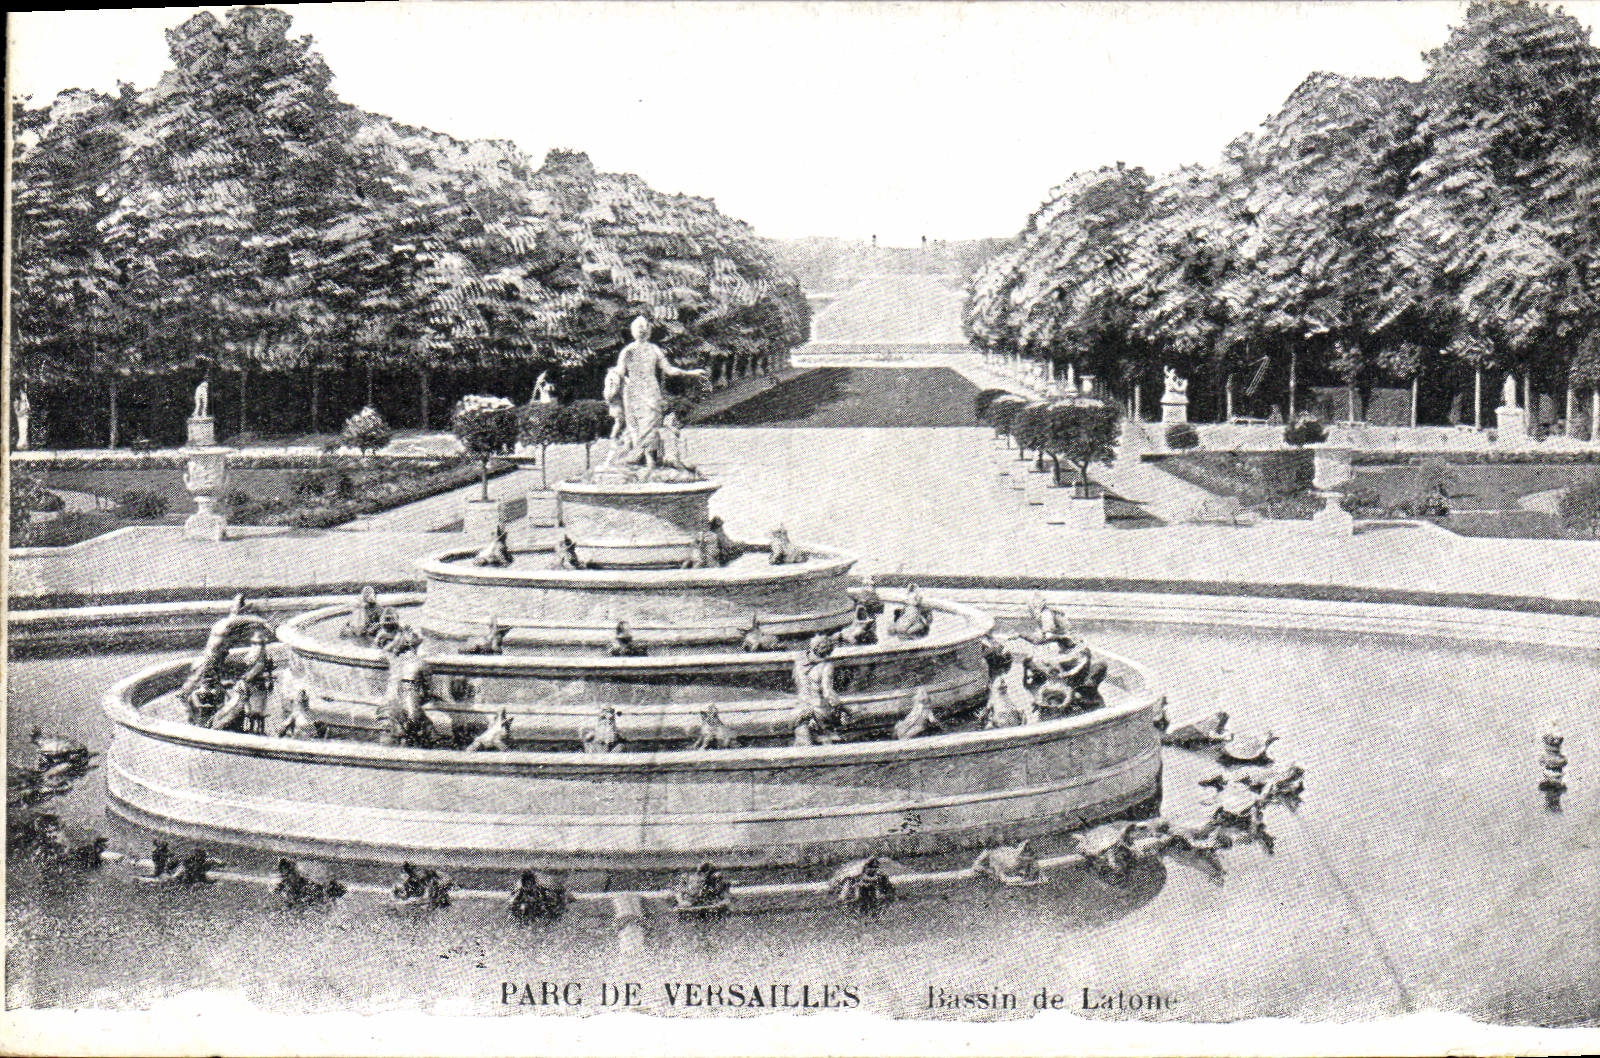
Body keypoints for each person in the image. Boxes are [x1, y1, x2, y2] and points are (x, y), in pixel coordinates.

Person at [610, 317, 708, 469]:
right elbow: (620, 371)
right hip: (635, 392)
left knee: (651, 423)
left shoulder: (654, 349)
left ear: (649, 331)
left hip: (651, 390)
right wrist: (614, 379)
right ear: (633, 331)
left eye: (645, 328)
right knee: (638, 424)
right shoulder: (628, 350)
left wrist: (690, 373)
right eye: (638, 328)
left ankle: (650, 460)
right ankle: (645, 459)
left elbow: (669, 370)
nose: (642, 331)